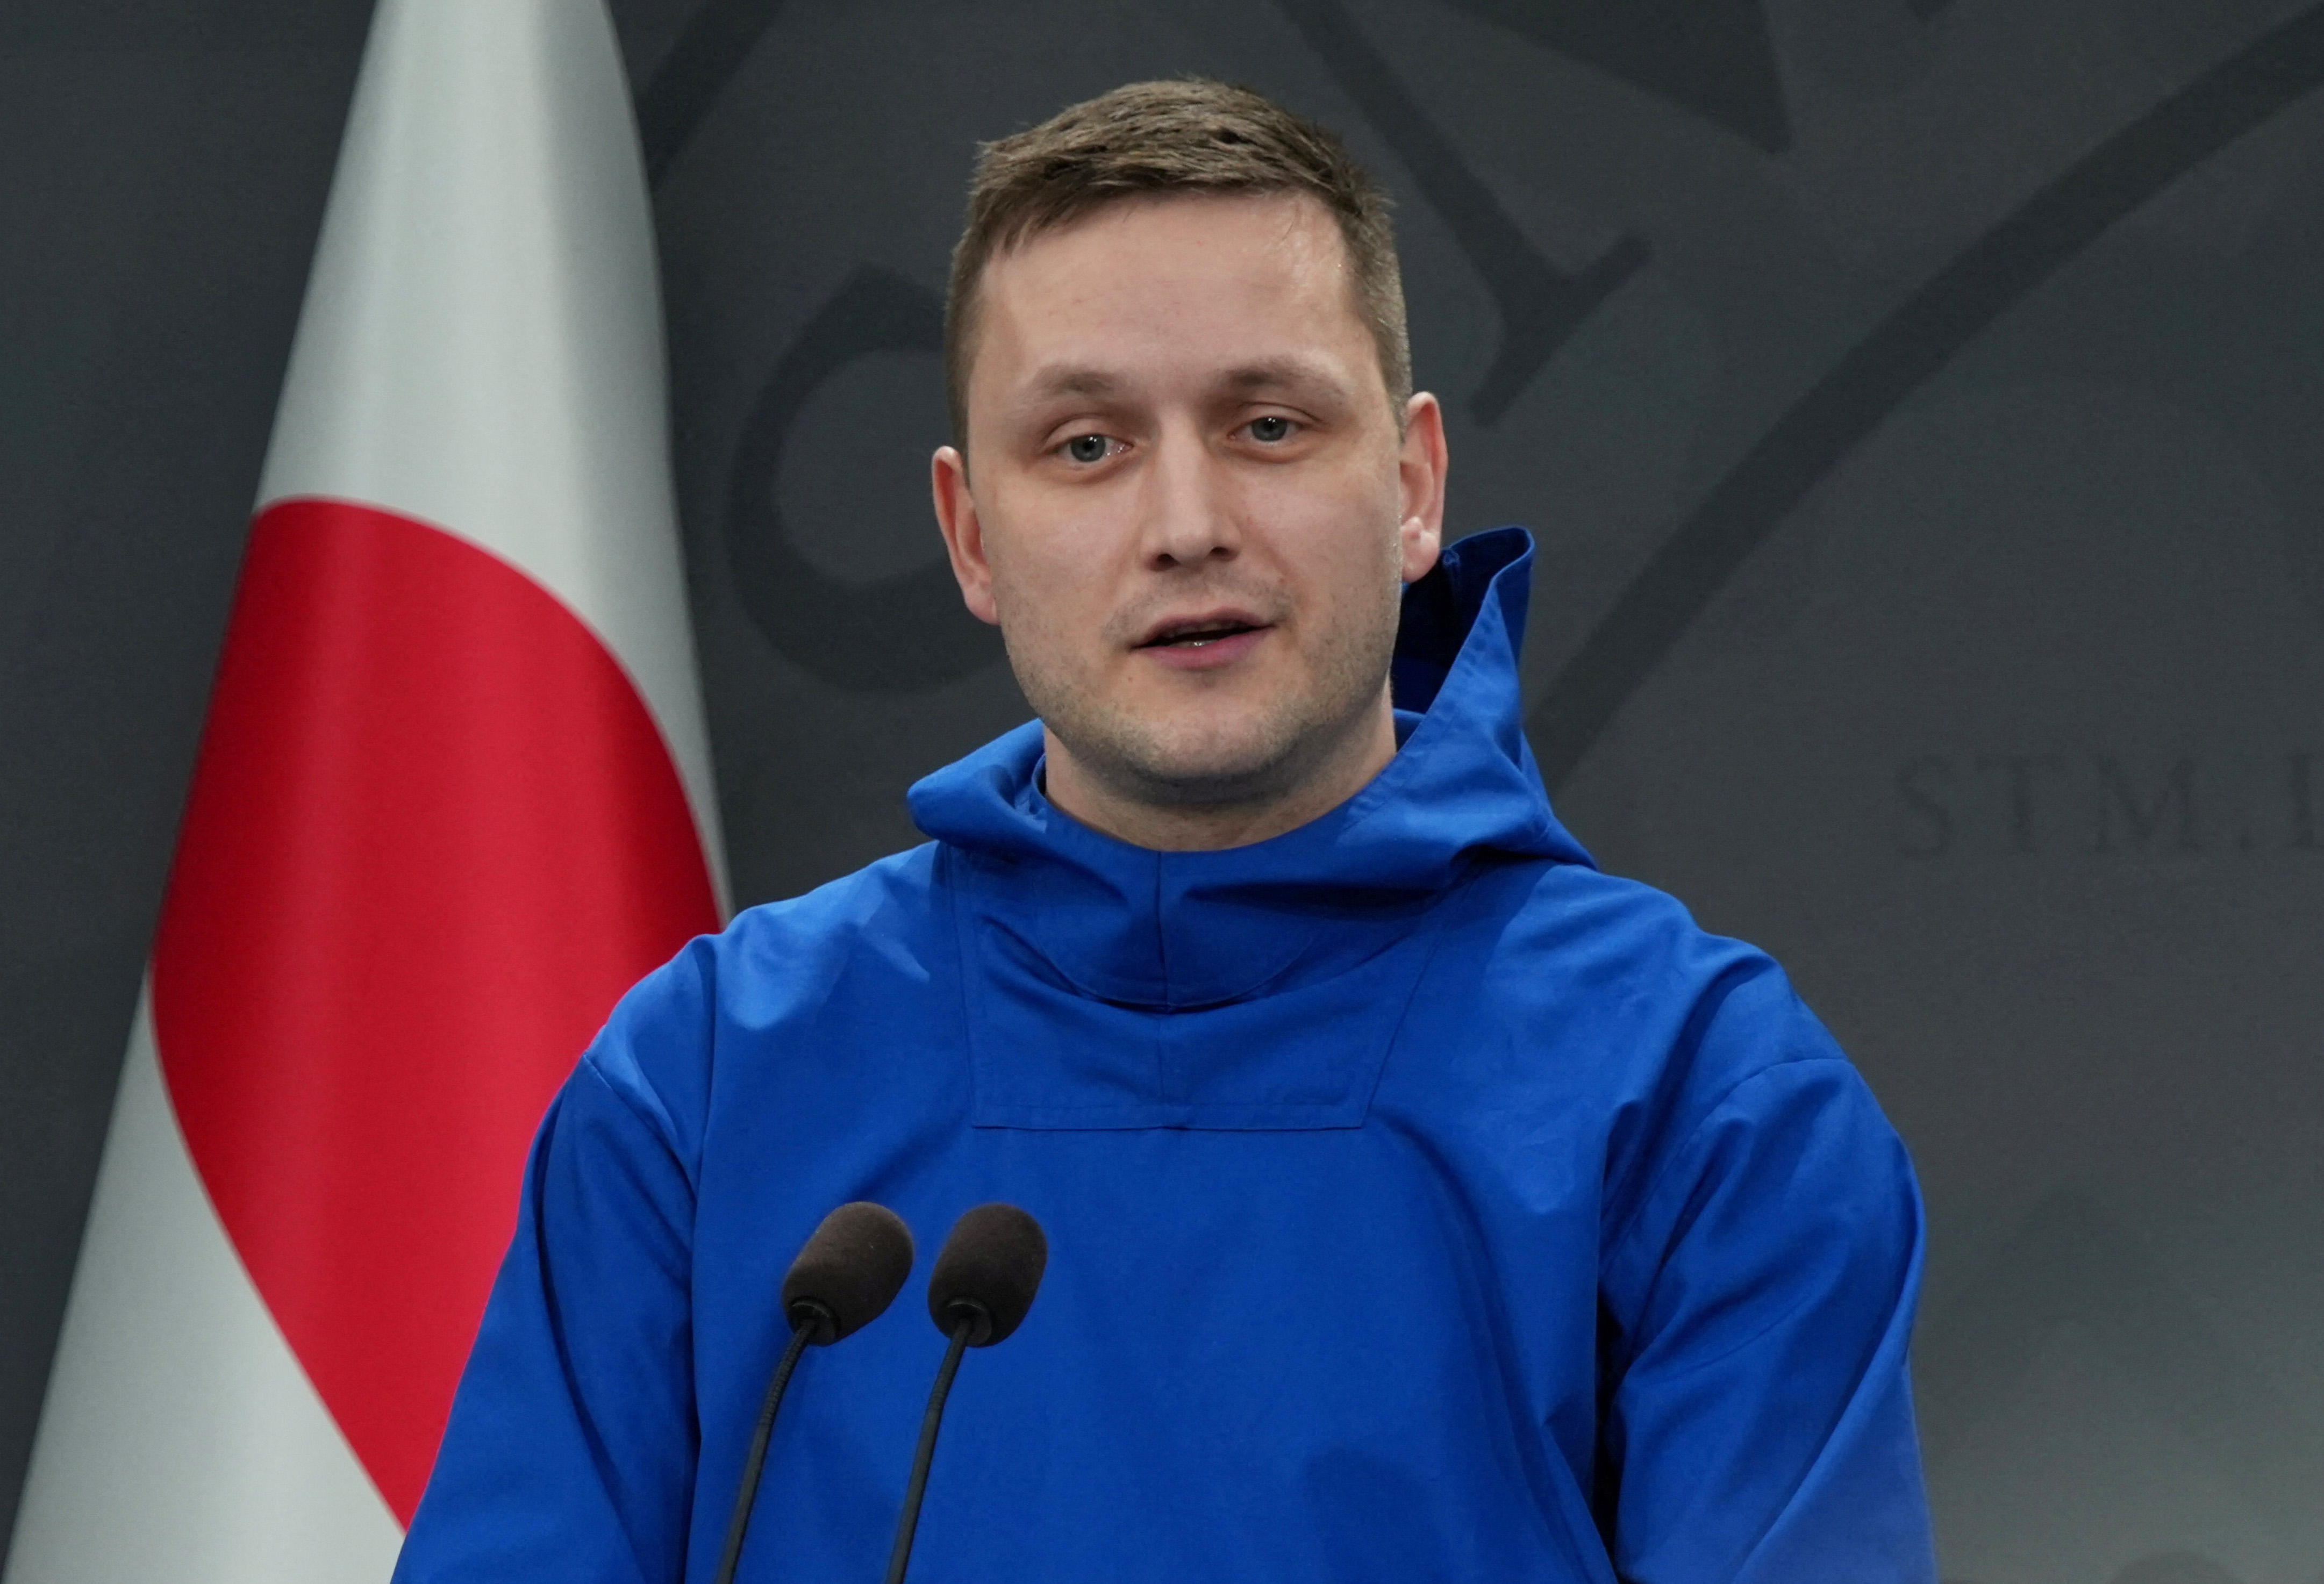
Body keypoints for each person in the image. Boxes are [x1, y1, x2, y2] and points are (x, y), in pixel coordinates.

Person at [395, 79, 1938, 1582]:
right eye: (1086, 444)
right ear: (969, 534)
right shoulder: (708, 1080)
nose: (1186, 519)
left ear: (1410, 488)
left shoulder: (1698, 1092)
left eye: (1267, 425)